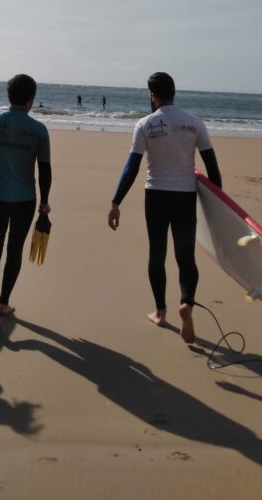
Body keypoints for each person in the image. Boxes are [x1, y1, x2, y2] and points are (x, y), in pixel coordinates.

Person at [106, 72, 222, 344]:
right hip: (185, 197)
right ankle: (187, 304)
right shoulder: (195, 124)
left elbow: (131, 168)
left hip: (155, 195)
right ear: (174, 93)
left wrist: (116, 202)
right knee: (186, 257)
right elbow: (213, 171)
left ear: (152, 95)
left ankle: (161, 312)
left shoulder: (145, 124)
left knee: (157, 254)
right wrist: (217, 209)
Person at [0, 74, 52, 333]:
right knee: (14, 250)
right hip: (25, 201)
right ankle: (4, 302)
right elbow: (45, 170)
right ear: (31, 99)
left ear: (9, 96)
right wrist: (45, 203)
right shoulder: (39, 130)